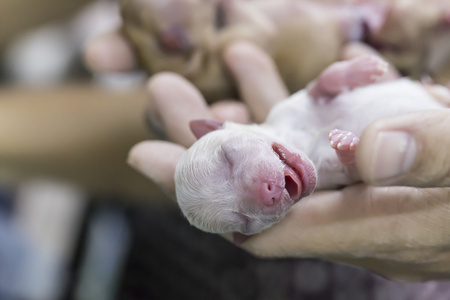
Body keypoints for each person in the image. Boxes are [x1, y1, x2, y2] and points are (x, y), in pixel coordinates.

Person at [85, 29, 450, 281]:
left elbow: (318, 91)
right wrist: (354, 155)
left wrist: (345, 74)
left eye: (229, 161)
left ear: (219, 128)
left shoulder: (281, 115)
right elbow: (368, 173)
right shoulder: (322, 176)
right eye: (245, 220)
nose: (264, 195)